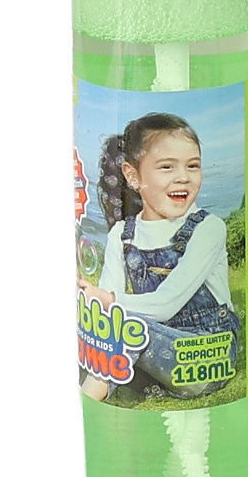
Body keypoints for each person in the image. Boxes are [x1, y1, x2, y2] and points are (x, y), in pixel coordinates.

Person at [80, 113, 239, 401]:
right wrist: (95, 300)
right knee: (110, 328)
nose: (183, 177)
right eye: (167, 167)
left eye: (193, 165)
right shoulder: (121, 235)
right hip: (154, 350)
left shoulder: (208, 228)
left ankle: (87, 402)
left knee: (127, 327)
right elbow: (107, 314)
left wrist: (108, 299)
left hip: (205, 358)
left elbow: (166, 303)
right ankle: (108, 392)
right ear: (132, 176)